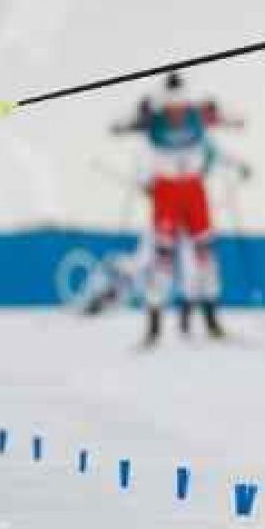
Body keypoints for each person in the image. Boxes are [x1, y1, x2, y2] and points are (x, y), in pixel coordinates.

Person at [111, 71, 248, 346]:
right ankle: (154, 327)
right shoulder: (154, 118)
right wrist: (137, 113)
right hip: (167, 191)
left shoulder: (197, 114)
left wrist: (222, 113)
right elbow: (118, 127)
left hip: (194, 190)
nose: (176, 112)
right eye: (171, 107)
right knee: (162, 259)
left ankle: (211, 321)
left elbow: (236, 121)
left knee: (205, 255)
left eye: (180, 106)